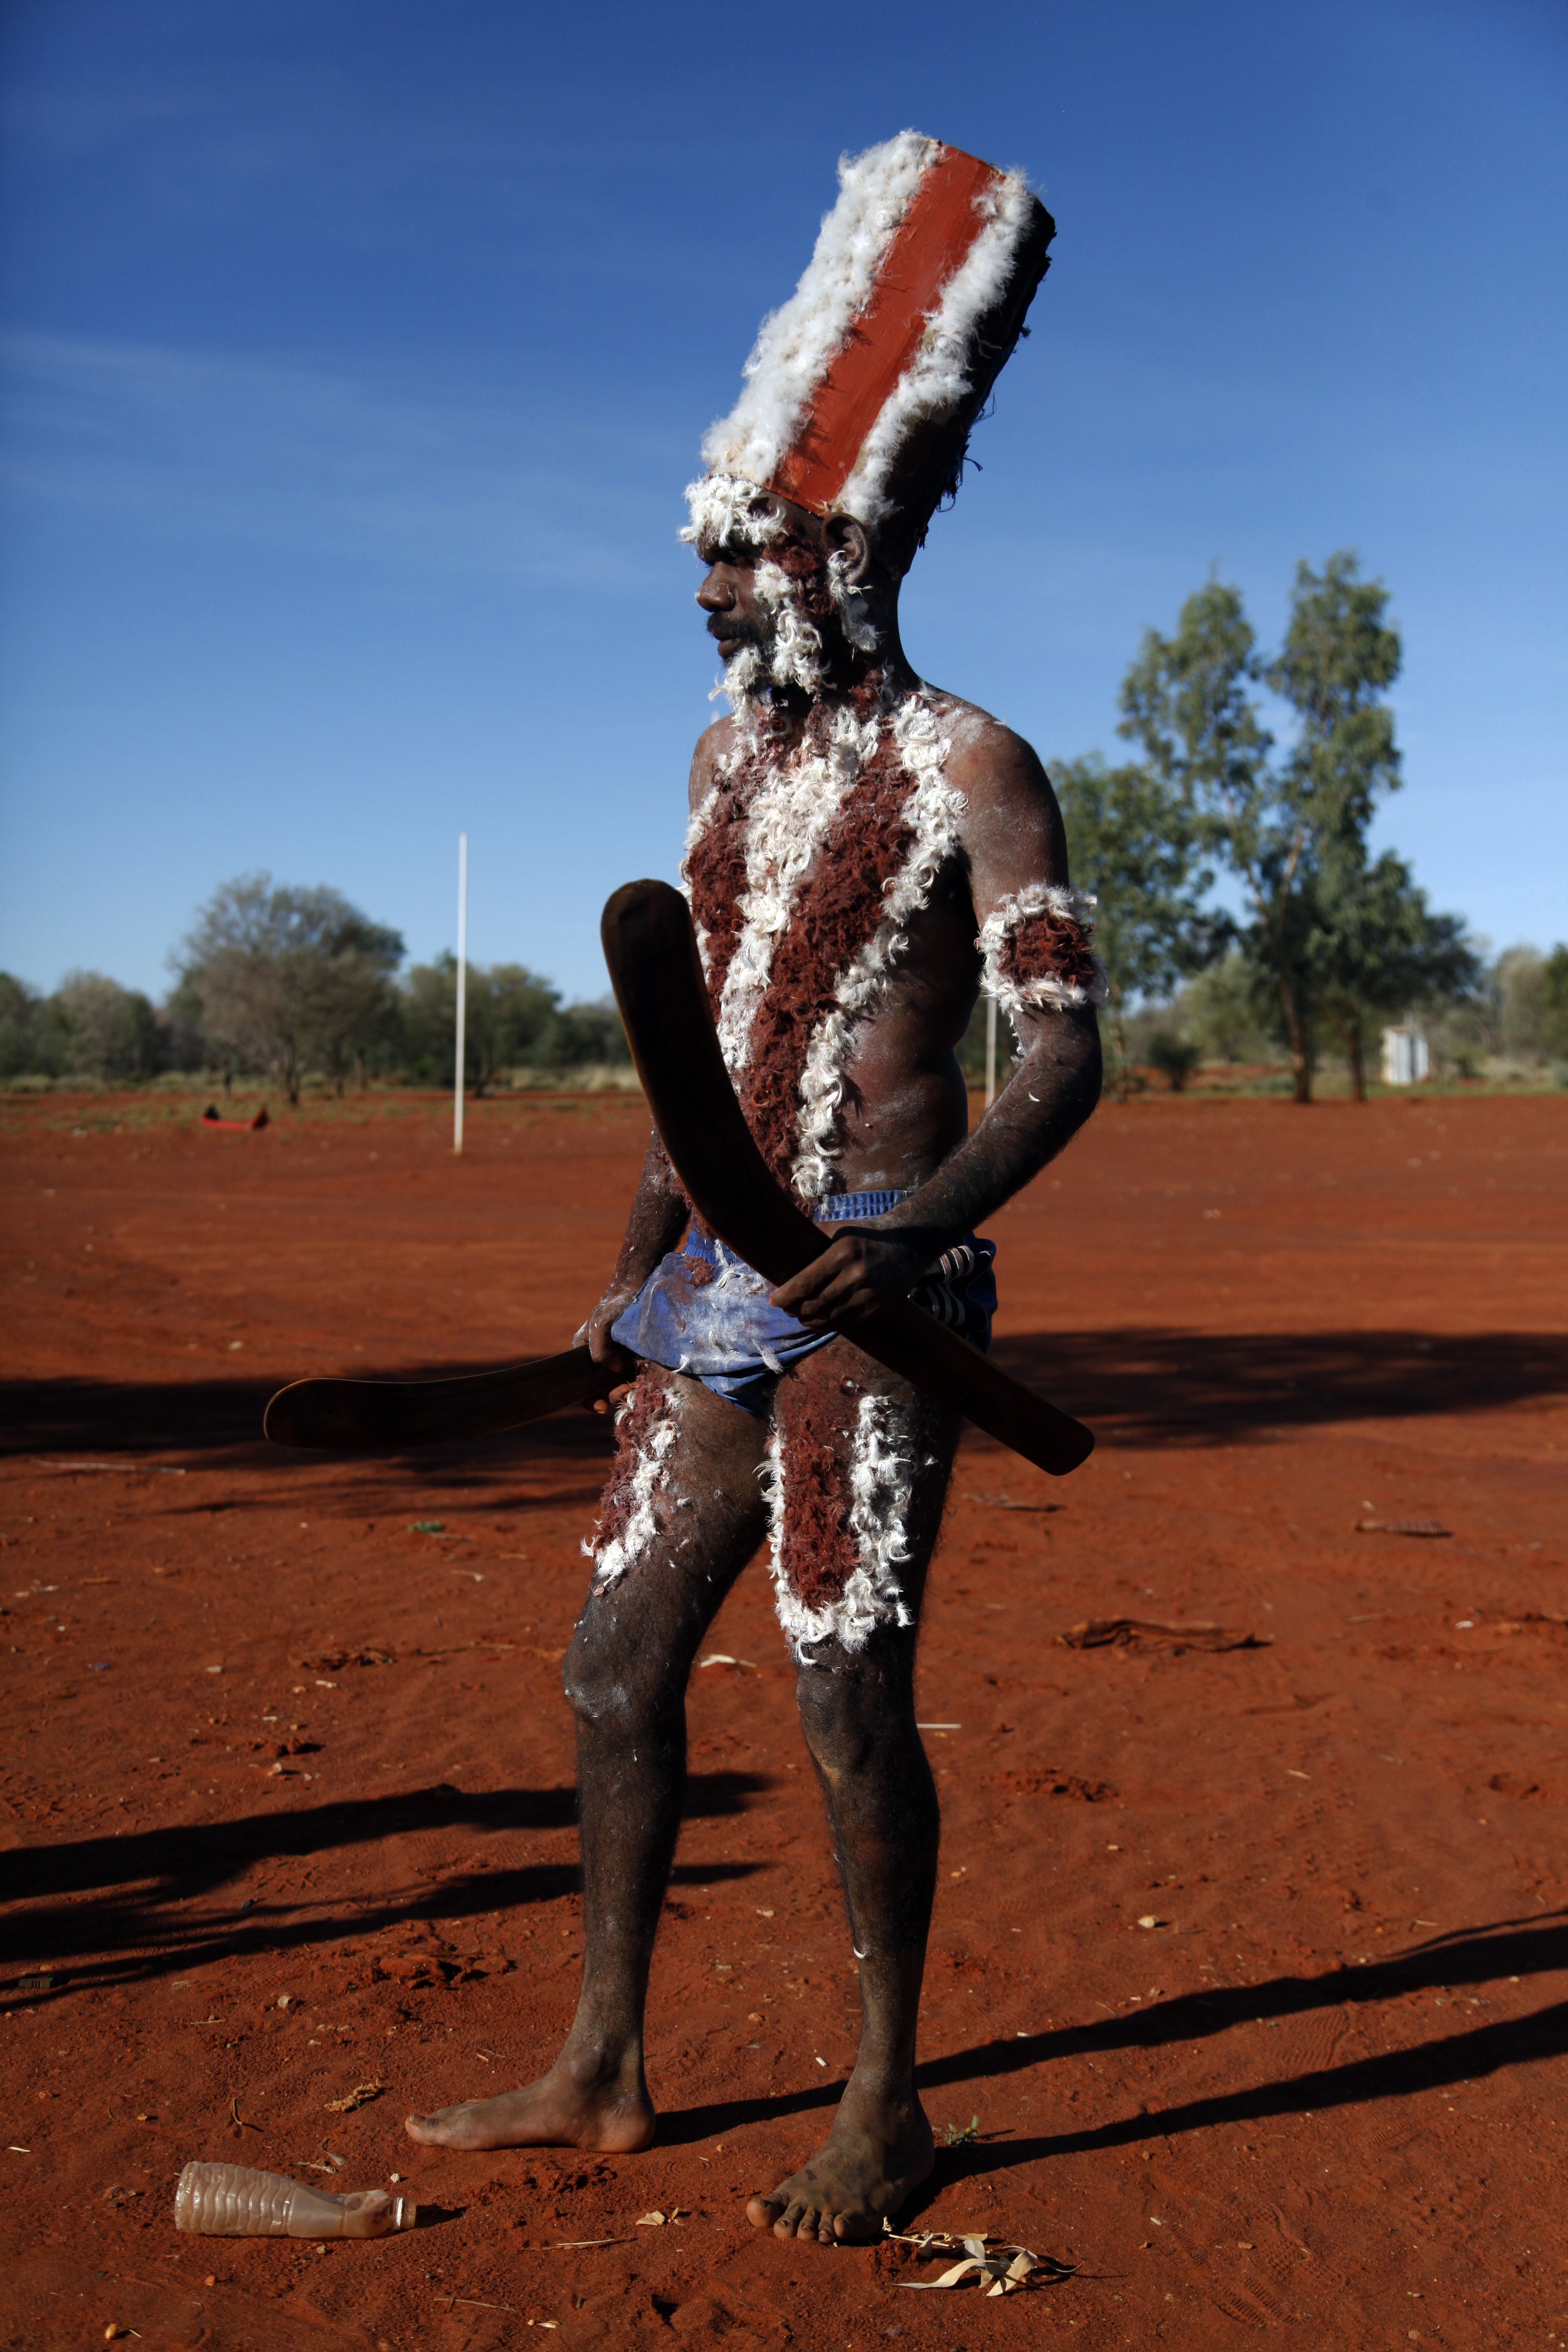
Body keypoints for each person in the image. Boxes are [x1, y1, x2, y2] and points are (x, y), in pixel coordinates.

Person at [406, 131, 1104, 2247]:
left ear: (840, 549)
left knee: (839, 1685)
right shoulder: (718, 768)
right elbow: (691, 1065)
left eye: (735, 552)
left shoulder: (972, 766)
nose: (704, 587)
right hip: (714, 1292)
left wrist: (898, 1237)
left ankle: (887, 2102)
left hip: (878, 1316)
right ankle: (608, 2066)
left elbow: (1064, 1058)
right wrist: (624, 1287)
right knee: (616, 1668)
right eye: (705, 554)